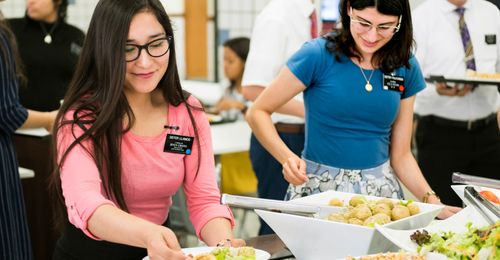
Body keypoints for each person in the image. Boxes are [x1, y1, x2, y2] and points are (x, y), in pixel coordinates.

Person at [49, 0, 244, 259]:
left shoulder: (187, 112)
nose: (145, 61)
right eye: (128, 49)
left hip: (160, 251)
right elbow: (86, 204)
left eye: (155, 44)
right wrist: (149, 234)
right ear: (105, 50)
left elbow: (204, 199)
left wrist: (224, 245)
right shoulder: (81, 118)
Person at [246, 0, 461, 220]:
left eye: (384, 27)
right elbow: (258, 111)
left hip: (379, 198)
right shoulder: (318, 54)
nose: (371, 36)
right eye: (363, 23)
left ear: (399, 23)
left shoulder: (404, 65)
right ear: (349, 10)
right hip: (319, 191)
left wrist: (433, 202)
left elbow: (402, 155)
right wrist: (287, 158)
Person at [412, 0, 500, 207]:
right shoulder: (422, 17)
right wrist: (437, 91)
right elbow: (410, 81)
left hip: (489, 133)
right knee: (443, 212)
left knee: (491, 211)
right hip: (439, 135)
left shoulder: (491, 12)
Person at [241, 0, 317, 235]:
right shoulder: (277, 16)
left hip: (309, 138)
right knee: (277, 229)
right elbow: (253, 89)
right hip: (281, 137)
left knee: (307, 229)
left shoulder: (311, 15)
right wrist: (316, 111)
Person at [0, 3, 57, 259]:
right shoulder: (7, 33)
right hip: (20, 142)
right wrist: (48, 119)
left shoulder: (74, 36)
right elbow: (7, 113)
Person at [8, 0, 85, 112]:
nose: (31, 1)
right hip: (17, 122)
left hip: (60, 122)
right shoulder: (10, 29)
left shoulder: (75, 36)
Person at [214, 37, 258, 197]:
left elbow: (260, 121)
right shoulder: (226, 87)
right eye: (223, 60)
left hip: (247, 159)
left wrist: (240, 106)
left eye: (230, 61)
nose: (225, 66)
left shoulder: (256, 91)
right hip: (226, 155)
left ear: (245, 63)